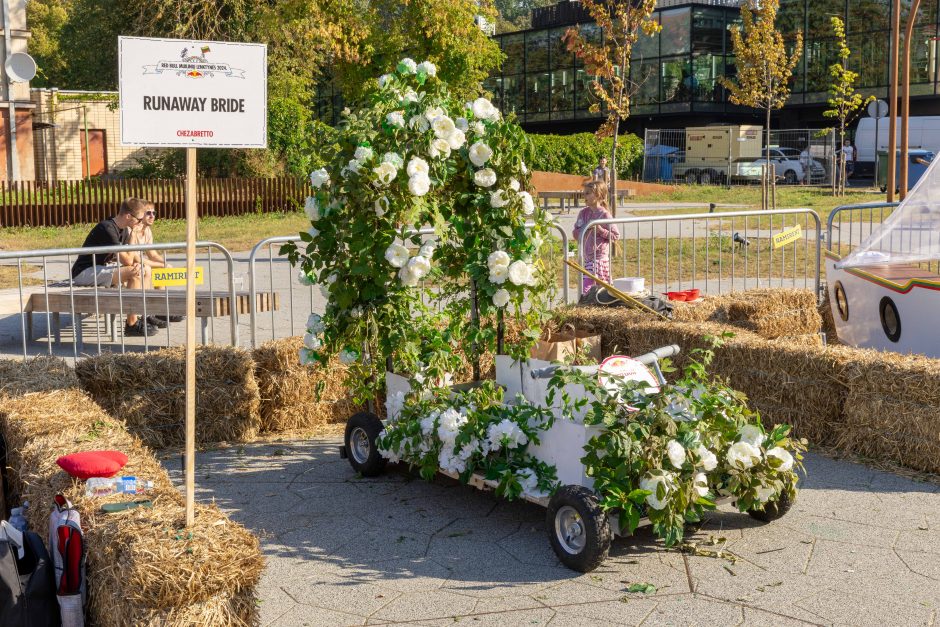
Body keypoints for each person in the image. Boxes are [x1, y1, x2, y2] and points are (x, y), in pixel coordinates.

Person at [70, 198, 158, 337]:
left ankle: (144, 315)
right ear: (128, 216)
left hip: (99, 268)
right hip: (84, 272)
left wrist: (139, 261)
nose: (141, 223)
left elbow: (132, 256)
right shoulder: (108, 228)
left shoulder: (123, 230)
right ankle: (131, 324)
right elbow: (128, 260)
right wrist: (134, 234)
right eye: (139, 219)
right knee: (134, 272)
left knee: (144, 269)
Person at [128, 201, 183, 325]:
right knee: (147, 268)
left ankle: (161, 309)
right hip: (124, 264)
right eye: (148, 213)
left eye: (154, 213)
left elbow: (152, 254)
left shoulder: (147, 230)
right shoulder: (130, 230)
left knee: (160, 269)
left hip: (138, 264)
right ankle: (146, 314)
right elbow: (136, 258)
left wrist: (165, 263)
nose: (152, 216)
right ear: (140, 215)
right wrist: (161, 265)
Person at [573, 179, 620, 294]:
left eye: (588, 193)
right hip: (587, 258)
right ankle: (589, 302)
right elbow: (575, 233)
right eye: (584, 193)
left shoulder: (605, 215)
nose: (585, 196)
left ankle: (585, 302)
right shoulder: (583, 213)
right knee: (594, 288)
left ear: (598, 195)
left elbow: (615, 236)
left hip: (600, 258)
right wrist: (585, 228)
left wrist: (600, 230)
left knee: (596, 289)